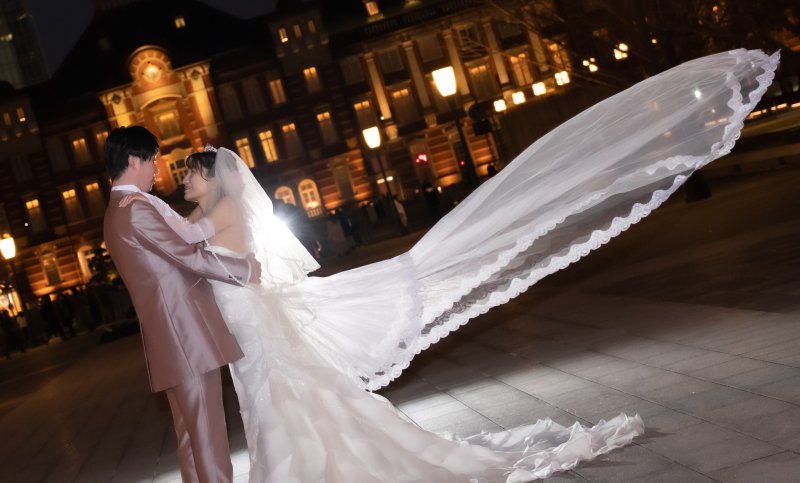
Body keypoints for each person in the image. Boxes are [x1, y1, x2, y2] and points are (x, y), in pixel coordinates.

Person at [120, 48, 777, 481]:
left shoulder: (220, 212)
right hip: (248, 329)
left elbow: (191, 247)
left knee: (281, 397)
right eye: (180, 173)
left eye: (189, 173)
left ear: (214, 178)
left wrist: (146, 213)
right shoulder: (209, 210)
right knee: (282, 396)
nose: (182, 179)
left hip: (254, 328)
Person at [103, 125, 262, 483]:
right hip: (186, 335)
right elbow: (187, 257)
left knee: (190, 438)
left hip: (167, 336)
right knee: (207, 435)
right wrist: (245, 269)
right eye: (153, 161)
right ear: (133, 160)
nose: (157, 170)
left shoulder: (117, 211)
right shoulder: (135, 209)